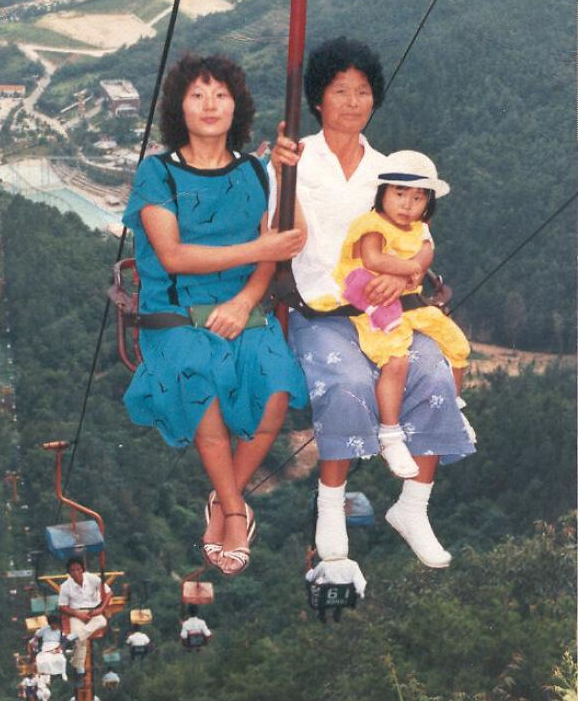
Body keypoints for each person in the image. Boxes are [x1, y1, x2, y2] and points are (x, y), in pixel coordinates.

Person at [270, 36, 475, 570]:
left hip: (387, 305)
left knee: (432, 371)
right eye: (341, 91)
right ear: (319, 98)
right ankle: (331, 505)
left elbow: (415, 236)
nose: (353, 102)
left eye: (363, 92)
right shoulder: (295, 159)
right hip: (322, 305)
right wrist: (280, 172)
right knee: (347, 383)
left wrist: (405, 275)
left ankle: (414, 505)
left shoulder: (389, 170)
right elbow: (279, 233)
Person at [122, 53, 308, 576]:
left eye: (220, 95)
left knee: (275, 388)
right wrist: (258, 250)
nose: (209, 105)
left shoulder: (254, 170)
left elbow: (276, 249)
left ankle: (224, 496)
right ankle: (232, 510)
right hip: (176, 310)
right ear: (179, 107)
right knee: (198, 379)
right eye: (197, 95)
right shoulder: (157, 174)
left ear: (236, 107)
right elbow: (175, 254)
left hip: (241, 304)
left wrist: (246, 300)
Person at [325, 151, 471, 478]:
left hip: (410, 301)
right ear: (382, 194)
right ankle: (390, 432)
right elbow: (373, 259)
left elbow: (426, 249)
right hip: (371, 300)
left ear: (427, 203)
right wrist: (411, 270)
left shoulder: (419, 228)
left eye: (417, 198)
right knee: (396, 360)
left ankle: (451, 405)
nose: (407, 204)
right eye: (399, 194)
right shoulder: (372, 224)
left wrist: (412, 271)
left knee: (458, 347)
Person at [57, 557, 113, 676]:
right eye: (73, 570)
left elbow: (108, 593)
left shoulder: (93, 579)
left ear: (83, 569)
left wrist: (100, 609)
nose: (76, 572)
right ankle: (79, 668)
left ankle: (73, 637)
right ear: (69, 573)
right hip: (76, 613)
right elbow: (62, 606)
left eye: (78, 569)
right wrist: (78, 614)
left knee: (102, 621)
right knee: (81, 642)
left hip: (93, 610)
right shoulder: (65, 586)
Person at [29, 613, 71, 681]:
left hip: (56, 646)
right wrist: (34, 642)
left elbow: (64, 641)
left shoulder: (60, 631)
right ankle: (46, 676)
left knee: (62, 660)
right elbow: (37, 636)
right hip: (46, 647)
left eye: (55, 624)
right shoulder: (45, 629)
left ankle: (63, 673)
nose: (54, 626)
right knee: (44, 661)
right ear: (50, 624)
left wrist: (60, 648)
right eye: (52, 624)